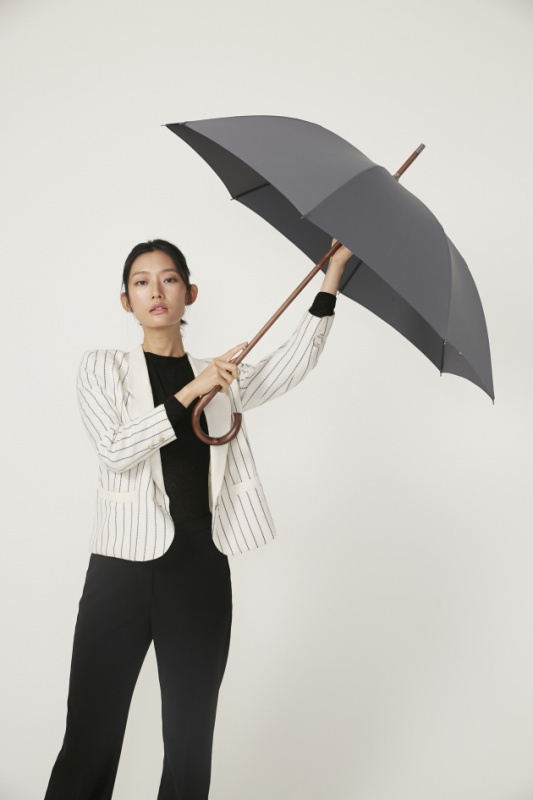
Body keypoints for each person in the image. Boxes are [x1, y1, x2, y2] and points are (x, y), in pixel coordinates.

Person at [43, 237, 352, 800]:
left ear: (190, 292)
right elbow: (115, 448)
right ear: (125, 301)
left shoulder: (219, 374)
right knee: (91, 735)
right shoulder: (103, 367)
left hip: (199, 570)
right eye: (141, 282)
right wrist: (192, 391)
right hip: (119, 571)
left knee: (189, 745)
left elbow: (292, 365)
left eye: (169, 279)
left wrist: (331, 277)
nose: (156, 291)